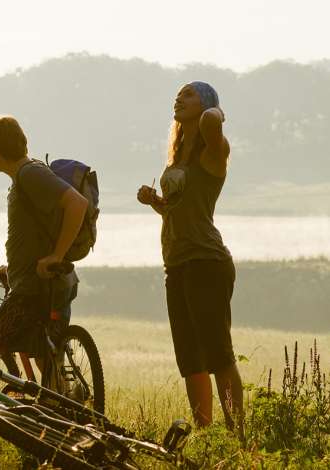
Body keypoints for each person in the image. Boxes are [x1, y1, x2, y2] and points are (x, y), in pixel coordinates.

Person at [136, 81, 243, 437]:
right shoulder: (178, 156)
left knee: (218, 356)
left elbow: (212, 121)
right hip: (177, 263)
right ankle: (206, 435)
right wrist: (156, 203)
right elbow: (178, 211)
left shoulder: (215, 148)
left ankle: (238, 437)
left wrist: (215, 110)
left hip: (206, 261)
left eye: (188, 94)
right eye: (178, 94)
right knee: (191, 361)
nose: (178, 98)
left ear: (207, 105)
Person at [0, 116, 88, 372]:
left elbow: (77, 203)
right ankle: (62, 409)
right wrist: (11, 268)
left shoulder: (30, 173)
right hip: (36, 283)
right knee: (45, 360)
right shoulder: (25, 175)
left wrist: (57, 255)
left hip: (33, 290)